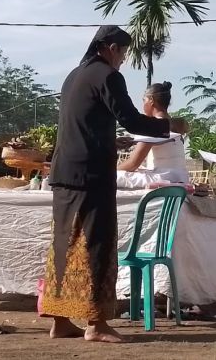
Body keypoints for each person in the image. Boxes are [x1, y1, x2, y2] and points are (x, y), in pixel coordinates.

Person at [41, 26, 188, 343]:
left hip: (66, 173)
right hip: (91, 176)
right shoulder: (108, 76)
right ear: (109, 48)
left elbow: (85, 123)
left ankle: (60, 320)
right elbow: (133, 119)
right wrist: (168, 126)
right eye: (122, 53)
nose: (123, 60)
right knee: (98, 244)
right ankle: (97, 324)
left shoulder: (73, 76)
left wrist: (111, 140)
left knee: (64, 247)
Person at [117, 81, 189, 187]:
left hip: (164, 178)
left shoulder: (152, 126)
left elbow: (133, 164)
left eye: (144, 100)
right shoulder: (177, 125)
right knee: (140, 170)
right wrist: (133, 142)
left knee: (112, 176)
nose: (143, 104)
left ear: (151, 100)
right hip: (180, 177)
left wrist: (112, 171)